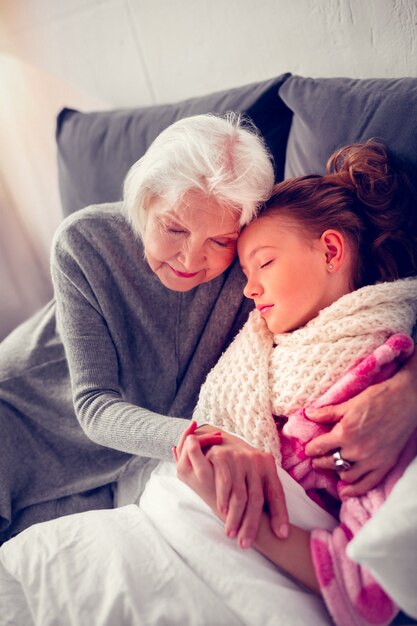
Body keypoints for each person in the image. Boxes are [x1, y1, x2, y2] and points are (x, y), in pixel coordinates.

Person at [0, 112, 415, 548]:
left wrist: (408, 389)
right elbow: (94, 405)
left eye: (219, 241)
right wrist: (208, 439)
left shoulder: (254, 267)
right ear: (144, 202)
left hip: (134, 463)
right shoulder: (83, 241)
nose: (189, 259)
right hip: (29, 415)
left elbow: (365, 301)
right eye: (173, 228)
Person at [176, 140, 417, 626]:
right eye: (246, 272)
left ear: (330, 250)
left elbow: (366, 588)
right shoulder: (264, 364)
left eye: (263, 263)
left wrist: (232, 506)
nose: (248, 288)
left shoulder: (374, 387)